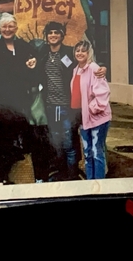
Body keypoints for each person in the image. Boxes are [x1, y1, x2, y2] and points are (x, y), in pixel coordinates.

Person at [34, 22, 107, 181]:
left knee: (68, 142)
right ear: (46, 36)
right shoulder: (42, 52)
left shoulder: (69, 52)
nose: (53, 35)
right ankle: (62, 173)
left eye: (56, 32)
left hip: (67, 106)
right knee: (56, 142)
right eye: (50, 32)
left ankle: (72, 175)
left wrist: (101, 67)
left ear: (62, 35)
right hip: (50, 105)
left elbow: (86, 63)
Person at [0, 13, 38, 185]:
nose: (7, 29)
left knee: (19, 138)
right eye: (4, 27)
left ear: (16, 27)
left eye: (11, 26)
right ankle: (0, 176)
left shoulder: (24, 46)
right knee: (1, 141)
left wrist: (32, 66)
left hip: (20, 100)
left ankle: (19, 175)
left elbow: (34, 69)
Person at [71, 40, 112, 180]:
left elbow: (102, 94)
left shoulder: (94, 68)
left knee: (96, 152)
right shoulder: (75, 69)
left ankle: (99, 186)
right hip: (82, 119)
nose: (80, 53)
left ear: (89, 53)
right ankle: (90, 184)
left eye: (83, 50)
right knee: (87, 153)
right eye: (77, 50)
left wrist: (91, 109)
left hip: (96, 120)